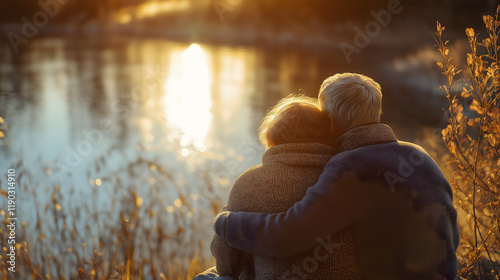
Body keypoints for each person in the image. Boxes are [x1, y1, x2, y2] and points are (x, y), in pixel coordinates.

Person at [213, 73, 460, 280]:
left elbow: (287, 237)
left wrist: (227, 222)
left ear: (330, 123)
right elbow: (451, 230)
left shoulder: (353, 166)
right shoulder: (418, 154)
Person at [195, 94, 367, 279]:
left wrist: (225, 220)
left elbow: (227, 265)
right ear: (326, 134)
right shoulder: (346, 179)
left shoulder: (251, 182)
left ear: (272, 137)